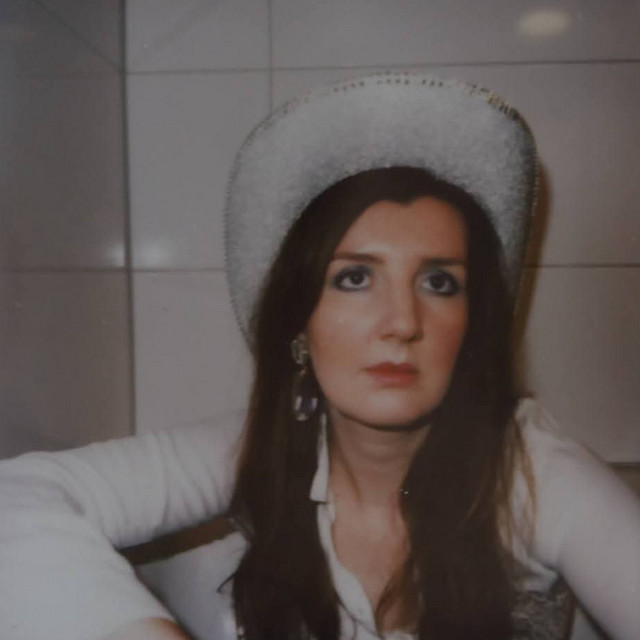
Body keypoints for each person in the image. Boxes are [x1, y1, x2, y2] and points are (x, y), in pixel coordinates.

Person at [1, 73, 639, 640]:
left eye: (439, 282)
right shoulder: (253, 446)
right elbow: (16, 496)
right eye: (355, 278)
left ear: (471, 327)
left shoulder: (533, 474)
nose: (402, 322)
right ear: (299, 324)